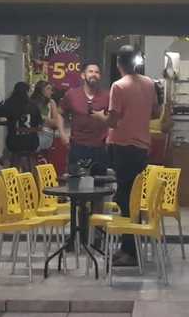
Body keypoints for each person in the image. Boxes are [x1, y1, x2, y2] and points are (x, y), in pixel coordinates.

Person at [98, 45, 160, 267]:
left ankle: (130, 251)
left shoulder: (118, 86)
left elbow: (113, 121)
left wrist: (99, 116)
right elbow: (156, 112)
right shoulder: (149, 83)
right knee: (132, 198)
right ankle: (128, 247)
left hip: (122, 147)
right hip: (141, 147)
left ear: (119, 64)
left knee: (124, 199)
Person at [59, 63, 111, 175]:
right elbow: (60, 114)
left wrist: (109, 134)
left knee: (100, 183)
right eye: (90, 71)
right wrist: (62, 133)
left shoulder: (107, 96)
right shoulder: (72, 94)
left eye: (97, 72)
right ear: (83, 75)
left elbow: (115, 119)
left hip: (100, 148)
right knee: (75, 182)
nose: (94, 74)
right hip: (77, 146)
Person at [1, 81, 42, 170]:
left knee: (12, 149)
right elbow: (39, 122)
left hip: (13, 143)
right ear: (27, 92)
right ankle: (30, 174)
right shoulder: (33, 105)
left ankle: (11, 171)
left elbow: (1, 113)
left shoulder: (10, 103)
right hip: (32, 143)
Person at [31, 81, 62, 153]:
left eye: (51, 89)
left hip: (46, 134)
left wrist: (42, 118)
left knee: (31, 144)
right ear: (40, 90)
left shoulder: (51, 102)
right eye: (48, 89)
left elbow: (56, 123)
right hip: (31, 132)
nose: (51, 92)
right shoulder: (31, 102)